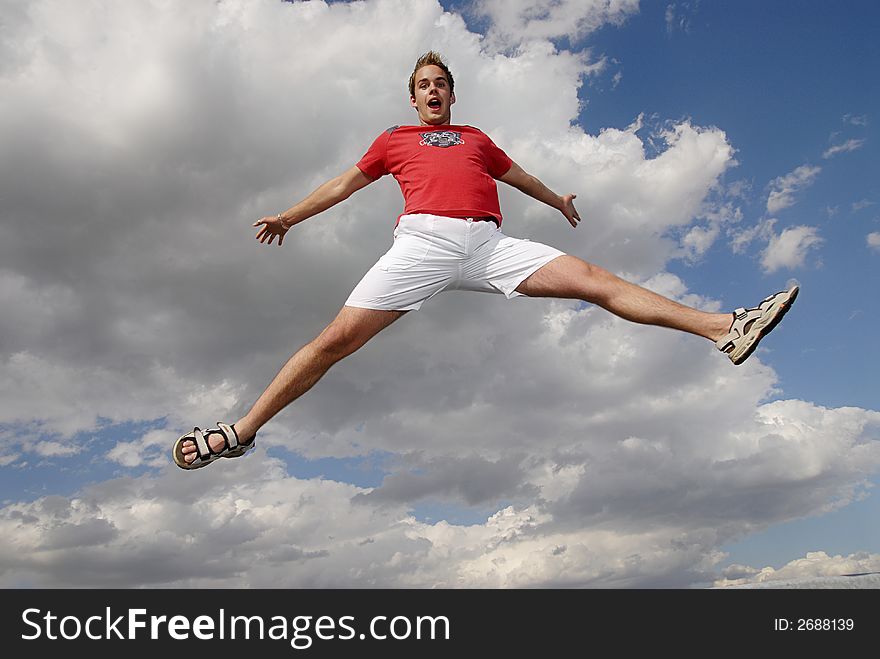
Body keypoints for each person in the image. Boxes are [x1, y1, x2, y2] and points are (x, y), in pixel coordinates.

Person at [173, 51, 798, 470]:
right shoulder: (393, 141)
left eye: (442, 83)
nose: (434, 91)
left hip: (489, 247)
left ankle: (726, 328)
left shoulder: (476, 139)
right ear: (413, 99)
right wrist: (289, 215)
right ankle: (243, 430)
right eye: (424, 85)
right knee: (334, 341)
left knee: (594, 281)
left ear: (452, 93)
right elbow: (342, 185)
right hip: (422, 244)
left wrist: (555, 199)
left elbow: (515, 173)